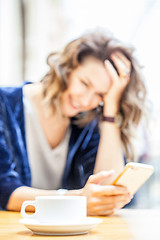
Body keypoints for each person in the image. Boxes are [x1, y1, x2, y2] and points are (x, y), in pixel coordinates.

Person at [0, 29, 146, 215]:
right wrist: (77, 200)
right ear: (66, 68)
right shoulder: (4, 104)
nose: (85, 101)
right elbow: (5, 191)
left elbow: (106, 193)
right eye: (84, 83)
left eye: (100, 95)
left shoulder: (86, 123)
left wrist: (111, 109)